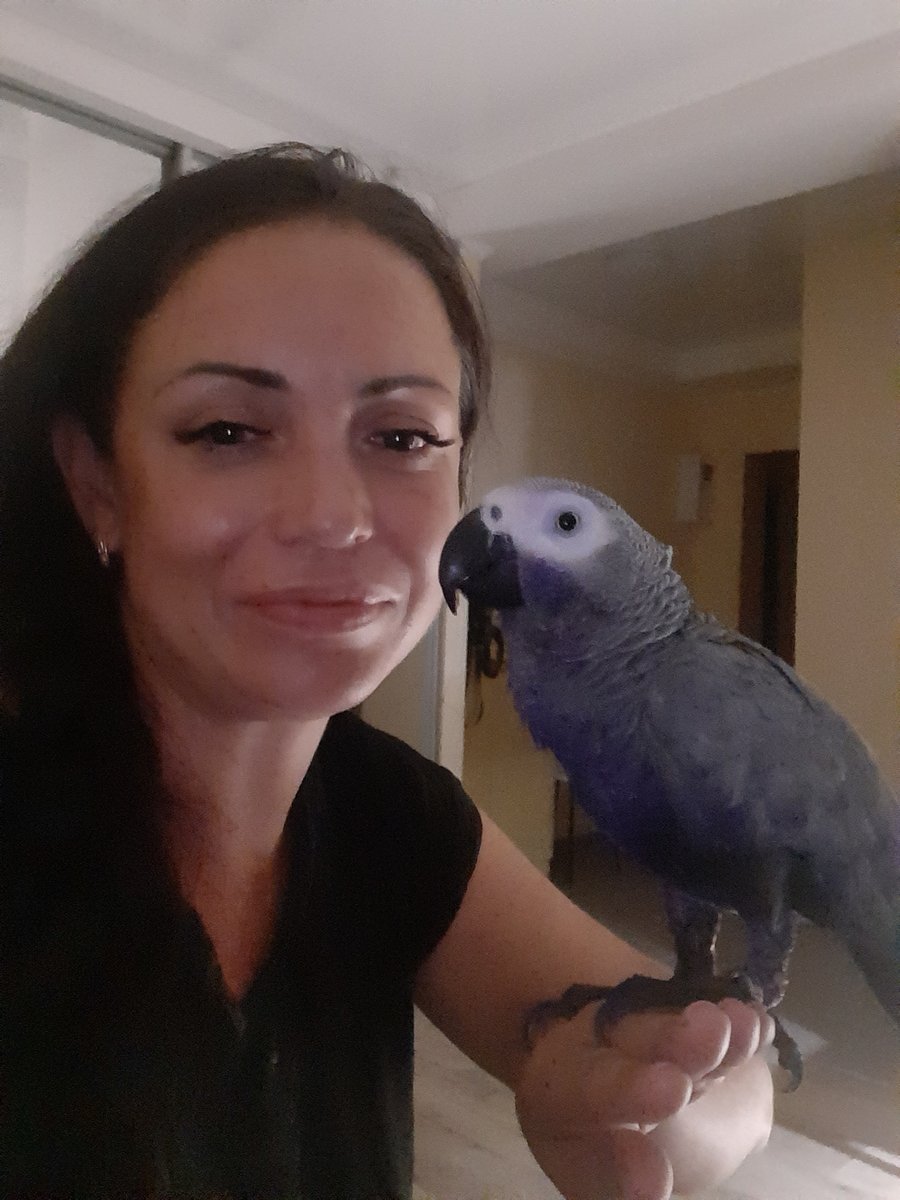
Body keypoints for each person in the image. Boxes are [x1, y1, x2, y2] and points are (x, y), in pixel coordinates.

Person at [0, 144, 773, 1199]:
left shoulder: (389, 817)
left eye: (402, 437)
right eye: (227, 430)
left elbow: (732, 1086)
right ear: (96, 484)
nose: (333, 516)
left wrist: (651, 1100)